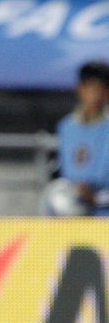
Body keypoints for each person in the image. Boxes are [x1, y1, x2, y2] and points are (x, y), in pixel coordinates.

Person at [54, 60, 109, 215]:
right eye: (91, 87)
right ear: (80, 89)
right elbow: (62, 175)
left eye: (101, 89)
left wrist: (95, 198)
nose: (96, 95)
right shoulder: (66, 127)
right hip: (72, 215)